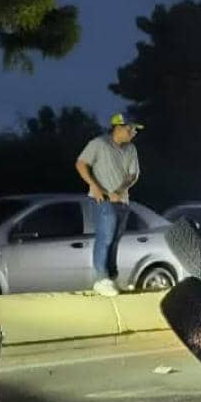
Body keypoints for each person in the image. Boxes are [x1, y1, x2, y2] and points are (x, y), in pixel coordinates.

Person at [75, 113, 142, 297]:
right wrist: (95, 187)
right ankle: (101, 279)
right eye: (131, 129)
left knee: (115, 239)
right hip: (101, 199)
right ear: (119, 127)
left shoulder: (131, 149)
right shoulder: (99, 143)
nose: (134, 133)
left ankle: (111, 278)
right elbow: (81, 164)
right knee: (106, 235)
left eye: (135, 130)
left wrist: (120, 190)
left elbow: (133, 175)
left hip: (122, 200)